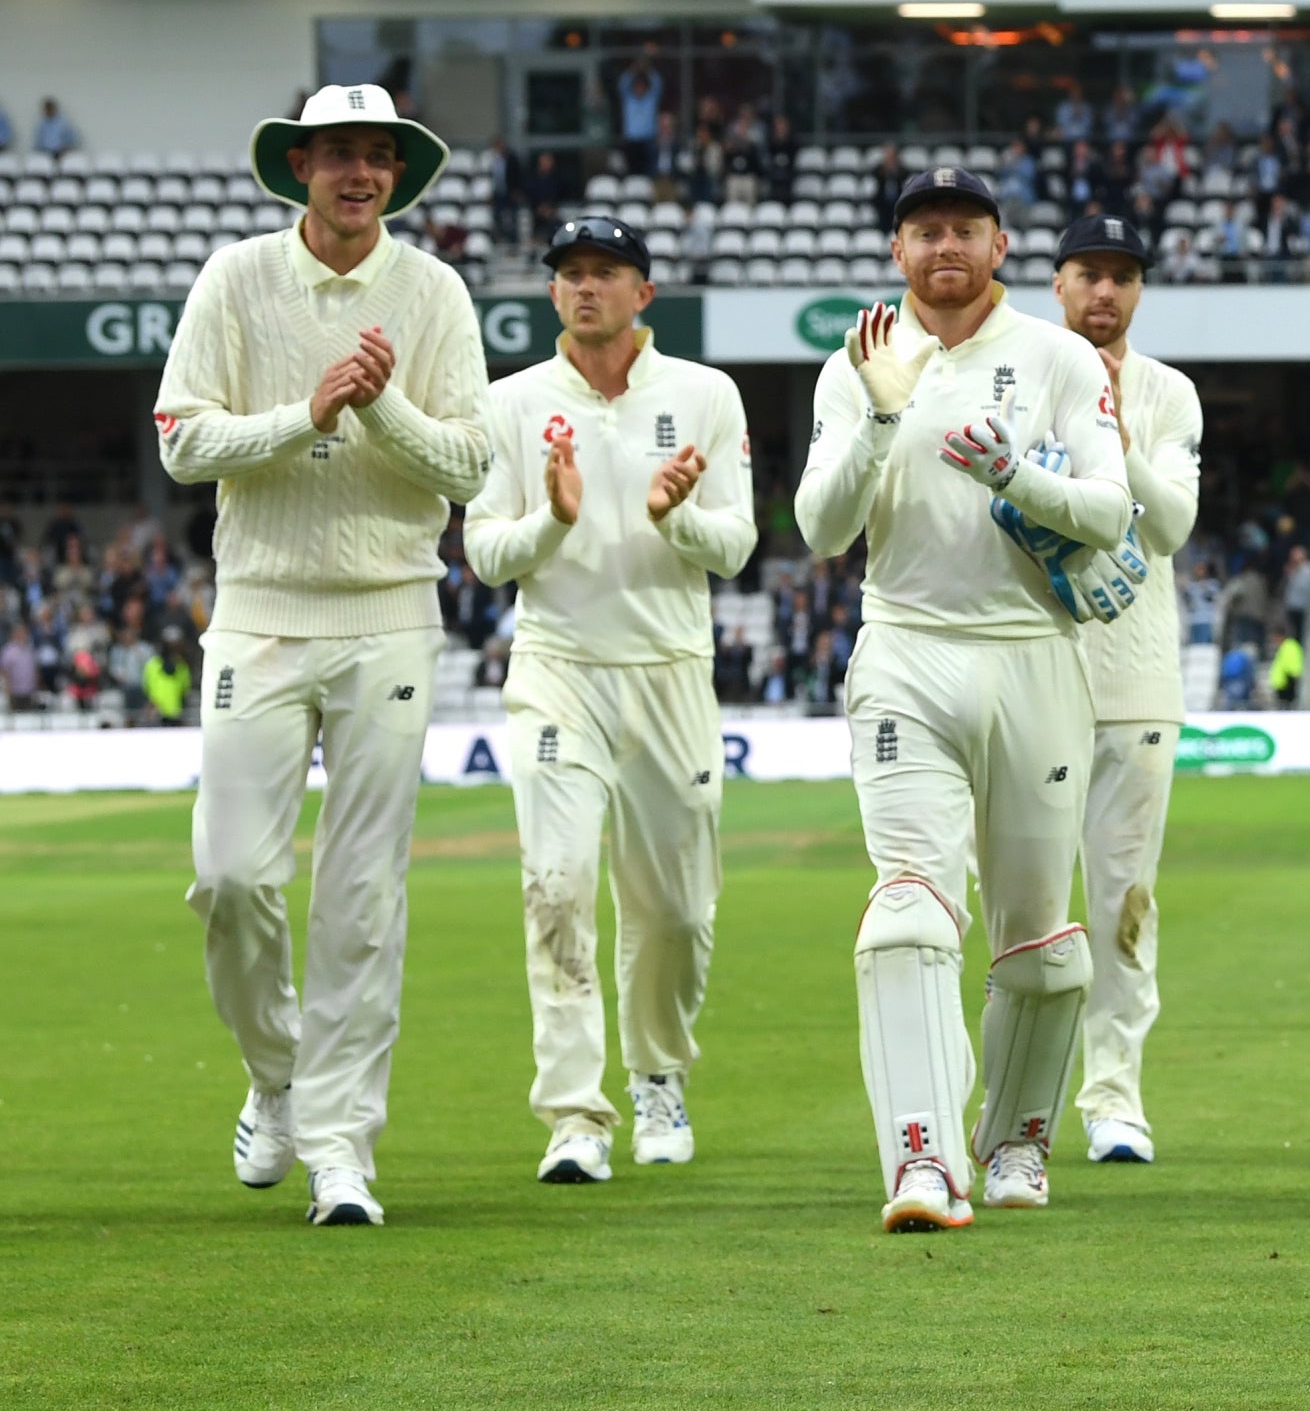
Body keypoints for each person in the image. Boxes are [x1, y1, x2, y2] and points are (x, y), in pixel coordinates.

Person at [155, 84, 488, 1228]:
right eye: (340, 154)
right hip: (257, 610)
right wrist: (308, 412)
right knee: (231, 876)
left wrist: (379, 405)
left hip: (391, 611)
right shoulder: (236, 278)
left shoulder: (432, 289)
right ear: (299, 165)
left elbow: (471, 465)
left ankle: (343, 1145)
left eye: (379, 157)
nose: (361, 173)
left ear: (398, 173)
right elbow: (186, 441)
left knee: (361, 895)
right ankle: (280, 1074)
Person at [795, 167, 1130, 1232]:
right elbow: (819, 528)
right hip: (906, 645)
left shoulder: (1059, 357)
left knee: (1039, 935)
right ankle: (921, 1161)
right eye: (923, 229)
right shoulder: (859, 362)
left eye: (965, 228)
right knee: (905, 911)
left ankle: (1018, 1139)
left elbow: (1111, 512)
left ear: (998, 245)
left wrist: (1017, 481)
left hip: (1034, 653)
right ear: (898, 252)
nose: (944, 244)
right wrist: (882, 420)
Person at [464, 217, 755, 1187]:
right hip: (559, 666)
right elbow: (484, 552)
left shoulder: (705, 394)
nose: (585, 288)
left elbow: (739, 546)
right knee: (554, 884)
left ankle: (659, 1073)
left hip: (670, 667)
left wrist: (680, 515)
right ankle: (575, 1114)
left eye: (606, 273)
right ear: (553, 294)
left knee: (675, 908)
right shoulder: (510, 403)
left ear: (645, 293)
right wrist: (552, 516)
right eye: (570, 275)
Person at [1051, 212, 1203, 1166]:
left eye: (1122, 276)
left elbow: (1175, 523)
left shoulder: (1168, 392)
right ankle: (1017, 1095)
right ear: (1056, 282)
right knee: (1025, 907)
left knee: (1121, 903)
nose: (1105, 293)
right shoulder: (1016, 371)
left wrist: (1114, 429)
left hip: (1136, 677)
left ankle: (1113, 1096)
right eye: (1088, 274)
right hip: (1028, 667)